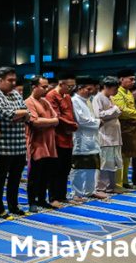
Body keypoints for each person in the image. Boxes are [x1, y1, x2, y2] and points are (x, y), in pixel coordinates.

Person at [0, 66, 29, 216]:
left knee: (15, 179)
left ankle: (13, 206)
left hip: (19, 145)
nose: (13, 83)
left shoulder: (16, 94)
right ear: (0, 80)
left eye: (14, 80)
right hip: (3, 146)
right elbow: (6, 114)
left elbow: (27, 113)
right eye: (9, 80)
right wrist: (22, 114)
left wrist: (21, 114)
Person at [25, 75, 58, 212]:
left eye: (47, 86)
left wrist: (46, 121)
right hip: (37, 143)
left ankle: (42, 199)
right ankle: (32, 201)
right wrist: (50, 121)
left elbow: (57, 118)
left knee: (46, 174)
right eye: (43, 87)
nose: (46, 89)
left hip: (49, 143)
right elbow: (35, 122)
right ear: (34, 87)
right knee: (35, 175)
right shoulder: (29, 102)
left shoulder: (45, 101)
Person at [45, 72, 77, 205]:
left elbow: (70, 115)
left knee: (65, 168)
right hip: (56, 138)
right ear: (61, 84)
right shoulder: (51, 96)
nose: (71, 89)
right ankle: (54, 197)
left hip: (68, 137)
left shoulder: (68, 96)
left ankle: (62, 195)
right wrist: (72, 125)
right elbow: (56, 116)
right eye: (69, 86)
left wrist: (73, 124)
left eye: (73, 86)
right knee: (55, 169)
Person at [70, 77, 103, 201]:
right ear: (80, 88)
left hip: (92, 139)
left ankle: (90, 191)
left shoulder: (87, 100)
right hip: (81, 139)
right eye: (88, 89)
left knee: (92, 166)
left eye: (92, 89)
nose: (90, 91)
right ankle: (77, 193)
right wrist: (99, 122)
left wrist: (97, 122)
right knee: (80, 168)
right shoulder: (75, 101)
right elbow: (82, 120)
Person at [93, 77, 123, 194]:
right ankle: (100, 188)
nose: (116, 92)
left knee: (114, 163)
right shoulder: (98, 98)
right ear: (106, 87)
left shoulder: (110, 97)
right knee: (104, 164)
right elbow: (98, 115)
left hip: (114, 135)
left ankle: (112, 186)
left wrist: (116, 110)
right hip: (105, 136)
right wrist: (114, 110)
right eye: (115, 89)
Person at [113, 70, 136, 189]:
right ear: (121, 79)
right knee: (121, 156)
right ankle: (118, 183)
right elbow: (122, 110)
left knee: (127, 157)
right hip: (123, 127)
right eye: (130, 79)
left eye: (134, 79)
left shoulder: (128, 92)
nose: (133, 82)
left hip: (131, 127)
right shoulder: (118, 93)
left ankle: (124, 181)